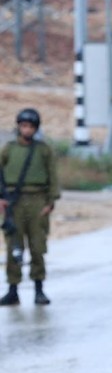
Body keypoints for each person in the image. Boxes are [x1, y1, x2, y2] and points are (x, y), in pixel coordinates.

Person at [0, 108, 59, 306]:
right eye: (23, 126)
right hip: (13, 203)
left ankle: (39, 290)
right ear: (18, 126)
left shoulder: (44, 150)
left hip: (37, 201)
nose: (26, 130)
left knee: (37, 247)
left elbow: (53, 176)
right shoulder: (8, 149)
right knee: (13, 248)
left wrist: (50, 202)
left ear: (36, 128)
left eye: (30, 127)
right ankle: (13, 289)